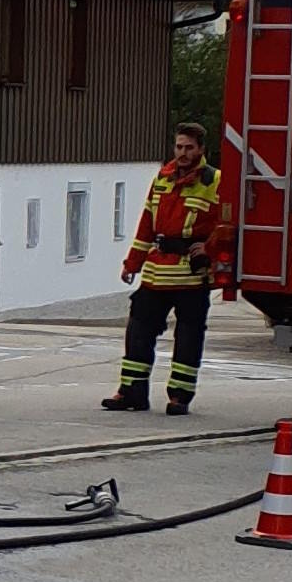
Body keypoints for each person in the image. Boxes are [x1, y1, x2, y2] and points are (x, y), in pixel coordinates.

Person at [105, 122, 223, 415]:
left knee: (188, 339)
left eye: (189, 148)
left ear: (201, 150)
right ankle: (132, 391)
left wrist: (210, 248)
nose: (182, 153)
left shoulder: (215, 181)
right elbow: (147, 223)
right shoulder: (163, 177)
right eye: (179, 147)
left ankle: (179, 397)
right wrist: (132, 263)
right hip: (157, 274)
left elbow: (229, 224)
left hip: (192, 277)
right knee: (138, 332)